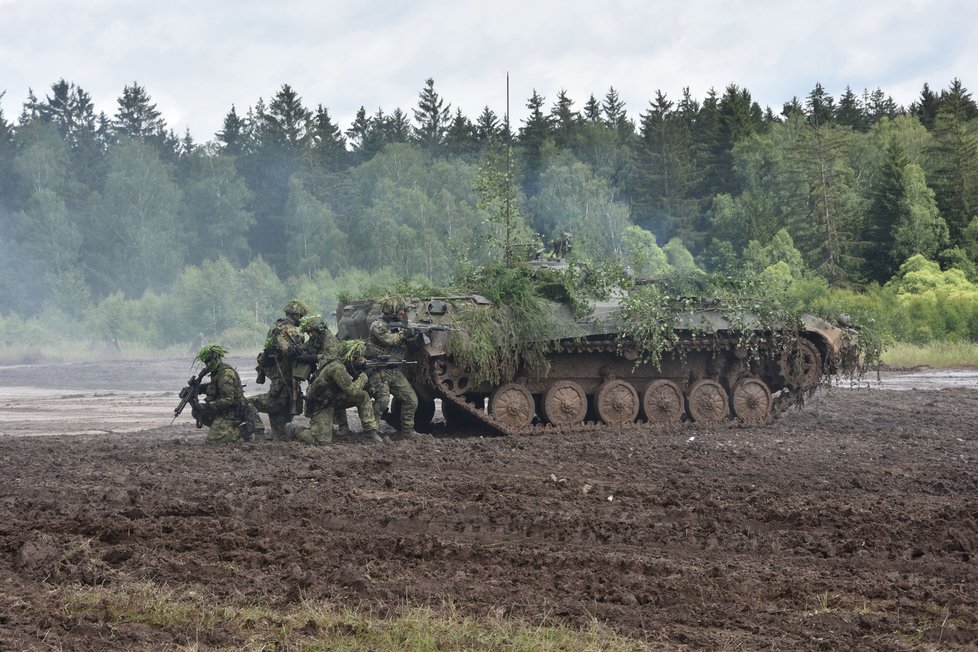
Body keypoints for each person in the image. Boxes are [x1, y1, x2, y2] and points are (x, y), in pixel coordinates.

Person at [288, 339, 381, 445]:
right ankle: (295, 430)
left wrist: (357, 370)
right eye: (356, 358)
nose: (359, 360)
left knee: (363, 396)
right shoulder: (337, 367)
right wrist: (365, 375)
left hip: (334, 398)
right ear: (350, 357)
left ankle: (370, 432)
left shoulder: (340, 361)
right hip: (321, 403)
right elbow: (351, 390)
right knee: (322, 441)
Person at [253, 299, 308, 441]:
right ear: (296, 315)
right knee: (278, 409)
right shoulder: (289, 330)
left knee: (280, 425)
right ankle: (260, 431)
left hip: (278, 379)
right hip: (285, 380)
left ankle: (278, 436)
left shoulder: (275, 327)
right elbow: (291, 351)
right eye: (300, 317)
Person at [191, 344, 265, 444]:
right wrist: (202, 388)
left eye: (209, 361)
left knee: (212, 441)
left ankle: (243, 430)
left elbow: (228, 400)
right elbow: (216, 387)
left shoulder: (225, 373)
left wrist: (208, 406)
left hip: (234, 412)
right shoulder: (217, 372)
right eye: (206, 362)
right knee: (197, 412)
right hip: (223, 410)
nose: (207, 364)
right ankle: (222, 429)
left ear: (216, 358)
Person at [366, 299, 419, 438]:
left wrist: (416, 335)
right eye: (399, 310)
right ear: (391, 312)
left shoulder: (400, 326)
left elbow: (409, 344)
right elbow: (389, 340)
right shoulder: (377, 325)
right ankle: (371, 431)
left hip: (394, 370)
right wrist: (405, 334)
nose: (402, 312)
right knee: (382, 401)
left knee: (411, 399)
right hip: (378, 370)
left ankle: (407, 431)